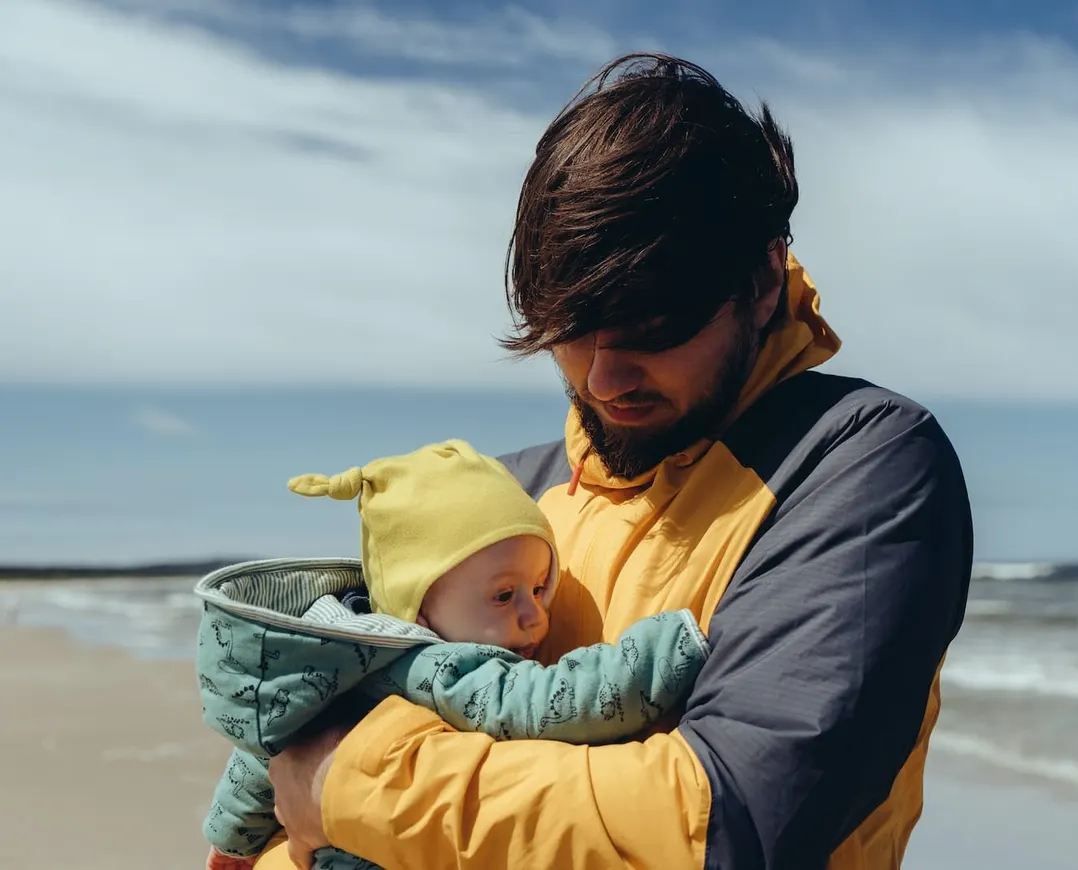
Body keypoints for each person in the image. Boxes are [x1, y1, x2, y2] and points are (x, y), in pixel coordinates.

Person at [255, 52, 974, 870]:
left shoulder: (858, 465)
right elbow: (305, 759)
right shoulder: (507, 499)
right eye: (569, 332)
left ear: (765, 279)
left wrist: (356, 788)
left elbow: (727, 822)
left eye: (652, 329)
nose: (602, 380)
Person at [194, 440, 709, 870]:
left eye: (540, 587)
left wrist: (230, 840)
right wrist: (668, 648)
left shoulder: (332, 657)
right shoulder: (441, 667)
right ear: (418, 610)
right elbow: (553, 703)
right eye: (504, 596)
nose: (536, 617)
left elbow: (258, 759)